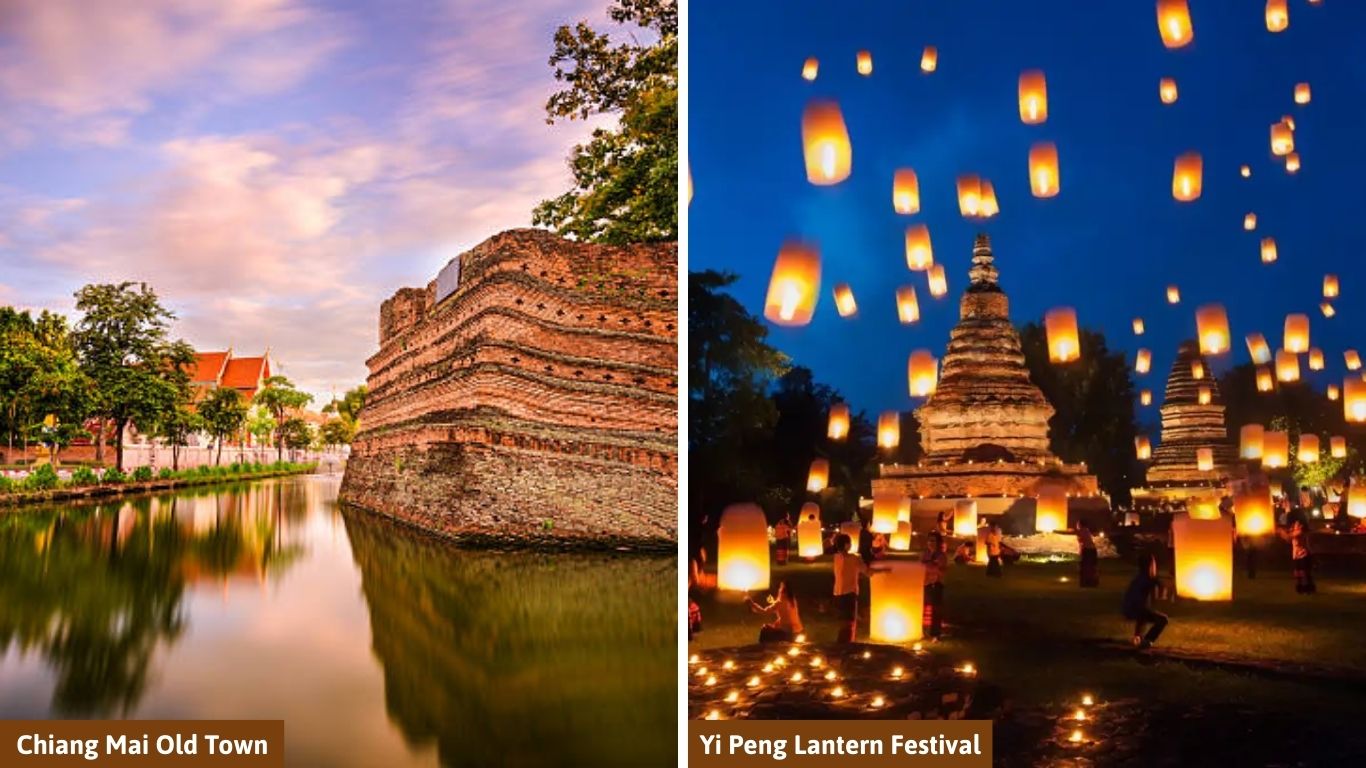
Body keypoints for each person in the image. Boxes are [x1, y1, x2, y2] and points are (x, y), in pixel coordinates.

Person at [832, 533, 886, 643]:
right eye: (849, 543)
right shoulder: (854, 558)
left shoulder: (836, 557)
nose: (851, 545)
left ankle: (842, 643)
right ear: (846, 545)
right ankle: (846, 644)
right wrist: (884, 570)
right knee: (849, 622)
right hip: (849, 593)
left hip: (837, 593)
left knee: (843, 622)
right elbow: (868, 572)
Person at [1122, 553, 1168, 650]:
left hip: (1130, 608)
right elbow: (1161, 586)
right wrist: (1162, 595)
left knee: (1142, 616)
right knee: (1163, 620)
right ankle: (1147, 641)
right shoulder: (1147, 579)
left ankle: (1138, 638)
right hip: (1135, 608)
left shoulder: (1139, 578)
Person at [1279, 506, 1316, 594]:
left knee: (1304, 572)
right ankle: (1301, 587)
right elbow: (1289, 538)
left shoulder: (1302, 529)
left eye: (1296, 523)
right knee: (1298, 572)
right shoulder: (1296, 527)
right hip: (1297, 554)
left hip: (1304, 554)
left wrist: (1281, 532)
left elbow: (1290, 537)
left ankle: (1307, 588)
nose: (1295, 525)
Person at [923, 532, 949, 640]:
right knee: (924, 607)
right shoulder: (925, 554)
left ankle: (935, 633)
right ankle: (924, 630)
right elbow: (922, 566)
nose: (931, 543)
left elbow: (940, 570)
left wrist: (930, 566)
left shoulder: (941, 555)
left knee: (936, 610)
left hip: (936, 584)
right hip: (926, 583)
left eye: (933, 541)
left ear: (938, 543)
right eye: (929, 540)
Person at [1076, 521, 1099, 587]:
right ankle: (1092, 581)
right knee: (1091, 566)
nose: (1077, 526)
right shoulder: (1087, 530)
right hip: (1092, 550)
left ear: (1080, 525)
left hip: (1088, 550)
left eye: (1077, 524)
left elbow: (1081, 541)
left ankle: (1087, 582)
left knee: (1085, 566)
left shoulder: (1081, 531)